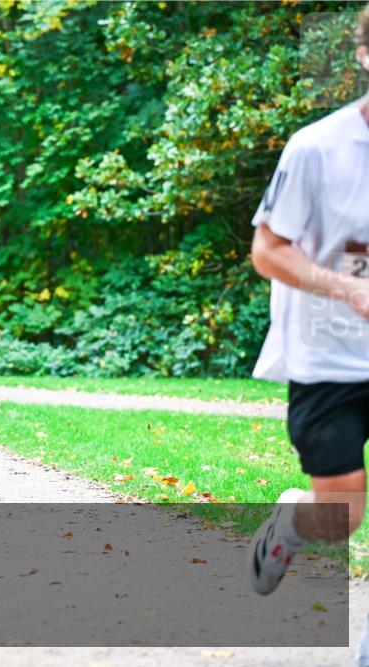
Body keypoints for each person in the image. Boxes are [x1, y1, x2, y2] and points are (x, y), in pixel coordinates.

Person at [246, 6, 369, 664]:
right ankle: (293, 521)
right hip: (328, 358)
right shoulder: (318, 148)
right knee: (342, 515)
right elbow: (268, 251)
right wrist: (349, 288)